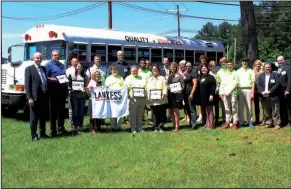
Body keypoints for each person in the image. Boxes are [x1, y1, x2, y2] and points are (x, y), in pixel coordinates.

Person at [24, 52, 49, 141]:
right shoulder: (29, 69)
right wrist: (29, 97)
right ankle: (34, 135)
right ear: (33, 58)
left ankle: (42, 133)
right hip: (34, 97)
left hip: (43, 96)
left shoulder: (44, 69)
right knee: (34, 117)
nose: (39, 59)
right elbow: (27, 85)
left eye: (40, 58)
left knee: (43, 116)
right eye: (37, 58)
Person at [45, 50, 68, 137]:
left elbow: (64, 76)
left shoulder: (62, 65)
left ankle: (61, 128)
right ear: (52, 56)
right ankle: (53, 130)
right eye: (55, 55)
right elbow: (45, 77)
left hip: (61, 91)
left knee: (61, 111)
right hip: (53, 91)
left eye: (58, 55)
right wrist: (53, 79)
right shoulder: (48, 65)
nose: (56, 57)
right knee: (53, 112)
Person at [256, 63, 281, 129]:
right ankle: (268, 122)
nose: (267, 68)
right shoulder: (260, 76)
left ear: (271, 68)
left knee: (275, 110)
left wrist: (270, 91)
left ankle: (277, 123)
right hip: (264, 96)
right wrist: (262, 92)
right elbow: (258, 85)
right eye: (266, 67)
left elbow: (277, 84)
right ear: (264, 68)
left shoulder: (276, 75)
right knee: (266, 110)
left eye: (268, 67)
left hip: (273, 95)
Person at [66, 59, 87, 134]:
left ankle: (80, 126)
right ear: (75, 67)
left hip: (82, 96)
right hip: (74, 96)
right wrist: (71, 89)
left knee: (81, 112)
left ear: (82, 68)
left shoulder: (84, 75)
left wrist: (85, 89)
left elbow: (86, 86)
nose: (79, 68)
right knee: (75, 112)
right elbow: (68, 85)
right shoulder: (71, 75)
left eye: (80, 67)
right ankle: (75, 126)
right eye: (77, 66)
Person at [125, 65, 147, 133]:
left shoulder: (142, 78)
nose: (135, 72)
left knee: (140, 114)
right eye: (133, 71)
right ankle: (133, 128)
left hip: (142, 98)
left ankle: (139, 127)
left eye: (136, 71)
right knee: (133, 114)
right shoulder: (128, 78)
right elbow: (126, 88)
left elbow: (146, 86)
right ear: (131, 71)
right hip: (133, 99)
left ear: (138, 71)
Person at [146, 65, 168, 132]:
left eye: (156, 69)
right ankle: (155, 127)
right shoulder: (149, 79)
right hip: (153, 100)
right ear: (151, 71)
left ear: (158, 70)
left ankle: (161, 127)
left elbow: (165, 87)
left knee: (161, 113)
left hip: (161, 99)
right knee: (154, 113)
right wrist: (148, 96)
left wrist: (163, 94)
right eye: (153, 69)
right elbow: (147, 89)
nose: (155, 70)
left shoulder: (162, 78)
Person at [105, 65, 125, 132]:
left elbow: (123, 87)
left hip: (119, 98)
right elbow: (106, 88)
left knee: (119, 111)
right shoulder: (108, 78)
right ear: (111, 71)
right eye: (113, 70)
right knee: (112, 112)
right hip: (111, 99)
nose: (115, 71)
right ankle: (113, 127)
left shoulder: (121, 78)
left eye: (116, 70)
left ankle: (119, 126)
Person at [236, 58, 255, 128]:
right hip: (240, 90)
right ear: (241, 62)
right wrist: (237, 92)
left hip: (248, 90)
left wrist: (252, 92)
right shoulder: (237, 71)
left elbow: (253, 82)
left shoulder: (251, 71)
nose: (244, 63)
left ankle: (250, 121)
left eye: (246, 62)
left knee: (249, 107)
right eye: (243, 61)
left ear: (247, 63)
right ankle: (241, 122)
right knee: (240, 107)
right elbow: (236, 83)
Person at [220, 61, 239, 130]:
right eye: (228, 65)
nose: (229, 66)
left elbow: (236, 84)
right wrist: (224, 92)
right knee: (227, 108)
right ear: (226, 65)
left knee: (234, 108)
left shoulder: (236, 73)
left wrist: (229, 91)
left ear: (233, 65)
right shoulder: (224, 74)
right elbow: (223, 84)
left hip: (233, 93)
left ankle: (235, 123)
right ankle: (227, 123)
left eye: (231, 64)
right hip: (226, 93)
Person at [167, 62, 185, 131]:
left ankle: (177, 126)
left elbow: (183, 86)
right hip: (170, 95)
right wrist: (168, 87)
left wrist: (178, 91)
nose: (172, 69)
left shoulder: (179, 76)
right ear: (169, 68)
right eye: (171, 67)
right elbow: (167, 84)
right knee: (171, 111)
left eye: (174, 67)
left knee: (176, 111)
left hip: (176, 96)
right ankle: (173, 125)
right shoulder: (168, 76)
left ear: (176, 68)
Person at [199, 64, 216, 130]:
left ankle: (211, 125)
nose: (203, 69)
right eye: (202, 68)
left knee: (210, 111)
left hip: (209, 96)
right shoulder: (201, 77)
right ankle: (207, 124)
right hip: (203, 97)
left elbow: (213, 86)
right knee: (205, 111)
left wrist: (211, 95)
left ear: (208, 69)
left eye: (205, 68)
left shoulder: (211, 77)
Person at [277, 56, 291, 127]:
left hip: (286, 90)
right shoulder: (278, 69)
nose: (279, 62)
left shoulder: (288, 68)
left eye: (281, 60)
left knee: (288, 106)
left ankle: (289, 121)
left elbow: (290, 80)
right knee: (282, 105)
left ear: (284, 60)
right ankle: (283, 120)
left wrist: (288, 90)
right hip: (280, 90)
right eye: (278, 61)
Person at [184, 61, 199, 129]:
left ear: (192, 67)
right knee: (188, 109)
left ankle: (194, 124)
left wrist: (192, 94)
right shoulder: (185, 73)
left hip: (190, 94)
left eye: (189, 66)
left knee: (192, 109)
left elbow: (195, 84)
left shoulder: (193, 73)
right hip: (185, 94)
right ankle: (191, 123)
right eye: (187, 66)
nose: (188, 67)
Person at [138, 58, 153, 123]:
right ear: (139, 63)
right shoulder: (137, 72)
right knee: (140, 107)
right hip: (139, 92)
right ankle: (141, 120)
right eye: (142, 63)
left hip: (147, 92)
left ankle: (150, 121)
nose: (143, 64)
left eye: (144, 63)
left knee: (149, 107)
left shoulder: (149, 73)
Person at [209, 60, 222, 126]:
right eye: (211, 66)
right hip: (211, 93)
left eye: (214, 66)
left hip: (217, 92)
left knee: (217, 107)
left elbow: (219, 83)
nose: (212, 67)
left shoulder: (218, 73)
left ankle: (217, 120)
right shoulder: (209, 73)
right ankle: (211, 120)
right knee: (211, 107)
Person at [196, 54, 208, 123]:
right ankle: (201, 115)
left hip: (206, 86)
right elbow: (197, 77)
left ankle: (206, 114)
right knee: (200, 102)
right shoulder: (198, 68)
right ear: (200, 60)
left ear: (206, 59)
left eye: (204, 58)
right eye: (202, 59)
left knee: (206, 102)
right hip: (200, 87)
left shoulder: (208, 66)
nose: (203, 60)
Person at [216, 57, 227, 125]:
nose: (223, 63)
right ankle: (224, 120)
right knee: (223, 107)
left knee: (231, 107)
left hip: (230, 91)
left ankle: (231, 120)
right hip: (222, 92)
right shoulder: (219, 72)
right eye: (222, 63)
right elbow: (218, 83)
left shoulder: (230, 70)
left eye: (224, 62)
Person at [159, 57, 171, 123]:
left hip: (170, 88)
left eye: (167, 61)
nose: (166, 62)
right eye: (165, 61)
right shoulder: (160, 69)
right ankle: (164, 117)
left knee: (169, 103)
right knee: (163, 103)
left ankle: (169, 117)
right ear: (163, 62)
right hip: (163, 88)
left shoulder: (171, 69)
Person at [253, 59, 264, 125]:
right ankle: (257, 120)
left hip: (262, 91)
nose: (258, 67)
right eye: (256, 65)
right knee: (256, 106)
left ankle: (264, 119)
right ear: (254, 66)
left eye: (259, 65)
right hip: (255, 91)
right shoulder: (252, 72)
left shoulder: (263, 72)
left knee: (263, 106)